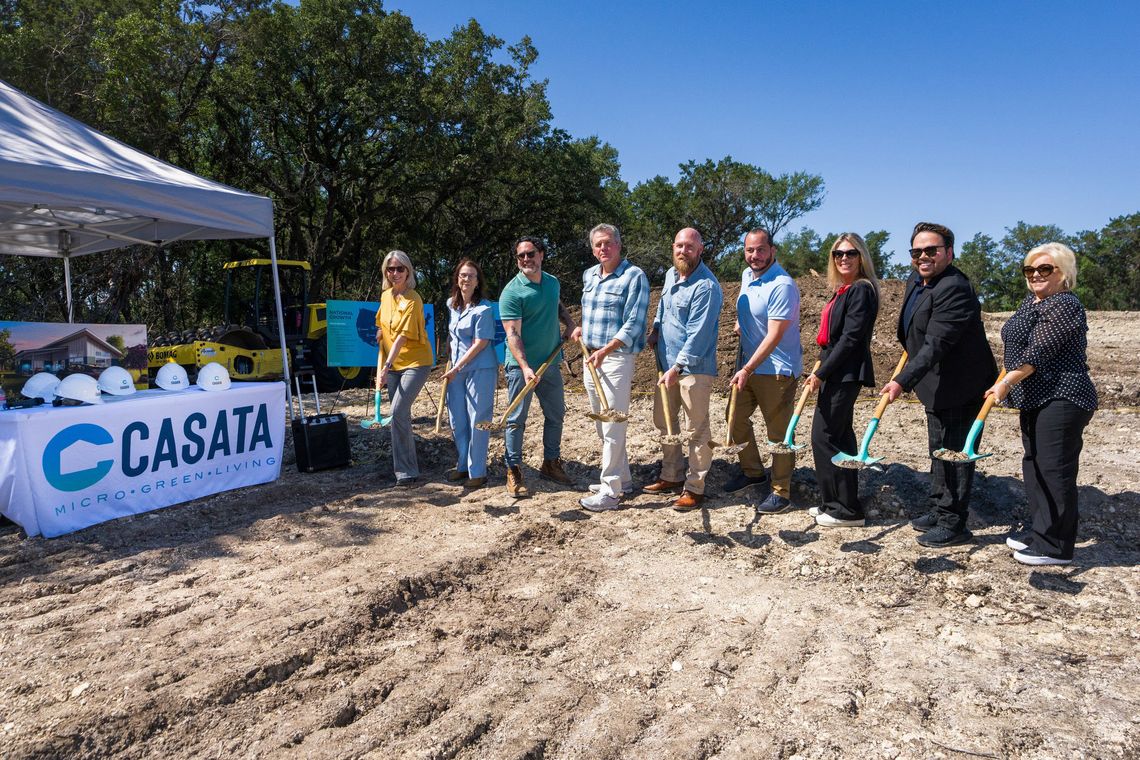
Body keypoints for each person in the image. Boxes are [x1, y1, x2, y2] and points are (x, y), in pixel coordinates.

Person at [882, 222, 997, 547]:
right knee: (938, 449)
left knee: (955, 453)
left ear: (949, 252)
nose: (923, 256)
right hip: (935, 383)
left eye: (931, 250)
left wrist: (901, 382)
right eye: (916, 251)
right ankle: (938, 507)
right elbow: (914, 335)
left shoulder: (955, 287)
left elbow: (936, 344)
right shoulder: (917, 281)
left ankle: (954, 523)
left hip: (961, 385)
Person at [983, 243, 1096, 565]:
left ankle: (1056, 547)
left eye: (1045, 269)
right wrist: (1004, 377)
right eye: (1030, 270)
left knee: (1054, 470)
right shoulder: (1031, 303)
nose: (1036, 275)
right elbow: (1017, 347)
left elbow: (1038, 353)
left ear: (1064, 274)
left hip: (1063, 395)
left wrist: (1004, 383)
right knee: (1034, 466)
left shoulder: (1064, 305)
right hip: (1035, 397)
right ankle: (1041, 532)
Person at [571, 224, 650, 512]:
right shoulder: (589, 275)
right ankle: (623, 480)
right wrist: (581, 329)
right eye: (597, 245)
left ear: (619, 244)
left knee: (613, 423)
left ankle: (611, 491)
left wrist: (606, 349)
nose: (603, 249)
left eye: (608, 243)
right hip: (590, 357)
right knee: (601, 423)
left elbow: (634, 322)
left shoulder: (634, 276)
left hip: (615, 358)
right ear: (592, 249)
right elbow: (589, 311)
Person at [805, 234, 880, 528]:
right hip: (837, 370)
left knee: (824, 437)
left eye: (850, 253)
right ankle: (835, 502)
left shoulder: (861, 290)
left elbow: (850, 340)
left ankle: (844, 509)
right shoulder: (844, 290)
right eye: (838, 254)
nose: (843, 258)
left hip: (845, 373)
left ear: (861, 257)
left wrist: (821, 372)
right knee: (840, 437)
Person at [646, 228, 723, 511]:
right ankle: (671, 474)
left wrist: (678, 366)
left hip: (693, 369)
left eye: (689, 247)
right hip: (666, 365)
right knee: (665, 421)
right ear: (673, 247)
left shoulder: (707, 286)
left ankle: (695, 488)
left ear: (700, 250)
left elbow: (699, 334)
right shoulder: (670, 274)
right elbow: (663, 307)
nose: (683, 251)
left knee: (697, 429)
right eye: (679, 246)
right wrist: (655, 328)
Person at [727, 228, 803, 514]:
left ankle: (781, 491)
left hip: (777, 371)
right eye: (749, 250)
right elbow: (751, 310)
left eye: (760, 250)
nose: (754, 256)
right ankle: (752, 472)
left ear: (773, 250)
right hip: (750, 365)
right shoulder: (749, 276)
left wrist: (747, 367)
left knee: (779, 432)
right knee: (734, 418)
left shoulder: (782, 284)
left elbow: (773, 336)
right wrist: (741, 324)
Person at [500, 236, 575, 497]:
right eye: (520, 256)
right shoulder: (512, 292)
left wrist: (570, 323)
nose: (525, 260)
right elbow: (513, 334)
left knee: (555, 415)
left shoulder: (552, 282)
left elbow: (556, 305)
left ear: (541, 254)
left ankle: (550, 463)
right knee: (516, 419)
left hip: (551, 362)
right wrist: (524, 367)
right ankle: (514, 468)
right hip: (522, 368)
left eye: (530, 254)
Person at [374, 250, 434, 487]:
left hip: (416, 362)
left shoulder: (414, 299)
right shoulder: (386, 296)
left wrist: (385, 368)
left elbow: (401, 337)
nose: (395, 273)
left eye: (400, 269)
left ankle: (406, 472)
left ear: (408, 271)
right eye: (391, 269)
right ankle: (403, 467)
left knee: (397, 411)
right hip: (393, 364)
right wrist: (379, 332)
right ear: (385, 272)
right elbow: (382, 323)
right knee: (401, 416)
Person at [442, 259, 498, 490]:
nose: (466, 279)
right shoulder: (451, 305)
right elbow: (453, 336)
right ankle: (462, 464)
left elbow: (480, 343)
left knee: (478, 419)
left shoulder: (483, 309)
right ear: (457, 278)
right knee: (458, 418)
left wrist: (457, 367)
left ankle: (478, 471)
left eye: (471, 276)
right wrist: (449, 358)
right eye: (463, 275)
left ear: (477, 282)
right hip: (455, 370)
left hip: (479, 369)